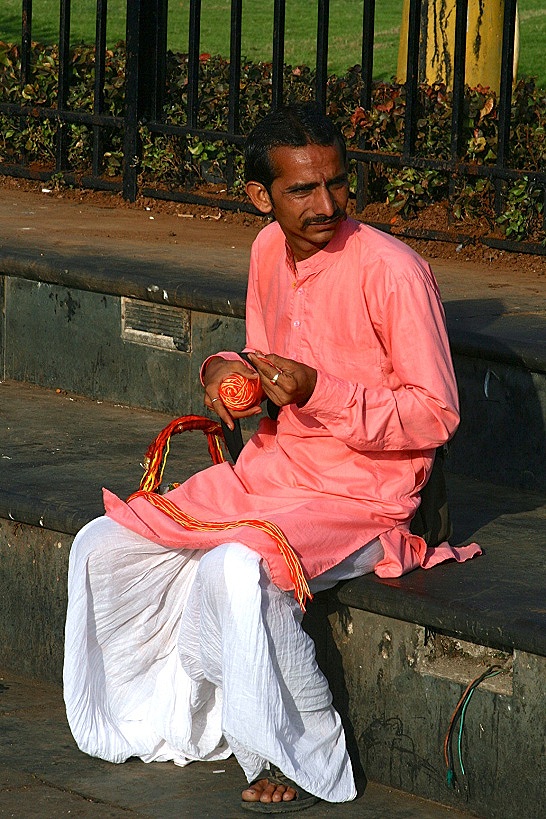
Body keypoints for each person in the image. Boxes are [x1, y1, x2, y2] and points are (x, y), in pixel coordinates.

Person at [63, 103, 480, 813]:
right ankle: (159, 718)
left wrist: (322, 390)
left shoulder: (394, 271)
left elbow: (437, 413)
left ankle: (288, 750)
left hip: (363, 497)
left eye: (337, 185)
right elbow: (262, 362)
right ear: (262, 196)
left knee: (236, 564)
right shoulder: (265, 249)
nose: (327, 204)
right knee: (102, 541)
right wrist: (227, 371)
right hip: (272, 470)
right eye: (302, 190)